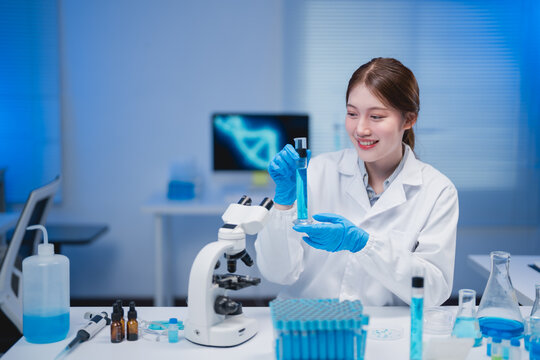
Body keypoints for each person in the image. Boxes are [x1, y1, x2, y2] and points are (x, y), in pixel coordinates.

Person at [255, 57, 458, 307]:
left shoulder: (437, 191)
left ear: (408, 120)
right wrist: (284, 204)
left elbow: (433, 291)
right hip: (307, 325)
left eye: (376, 116)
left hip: (383, 332)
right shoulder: (318, 171)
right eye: (352, 113)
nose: (360, 129)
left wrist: (363, 245)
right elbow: (277, 273)